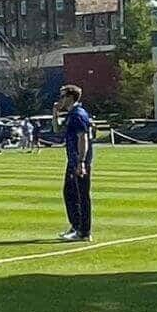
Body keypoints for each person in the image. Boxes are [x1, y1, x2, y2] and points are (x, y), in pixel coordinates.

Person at [55, 84, 93, 242]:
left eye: (62, 96)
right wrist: (54, 113)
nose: (60, 100)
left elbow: (82, 138)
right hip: (72, 160)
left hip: (78, 161)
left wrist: (81, 162)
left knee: (81, 195)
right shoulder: (71, 114)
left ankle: (83, 231)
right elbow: (57, 130)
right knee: (69, 193)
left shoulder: (78, 114)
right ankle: (76, 226)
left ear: (70, 97)